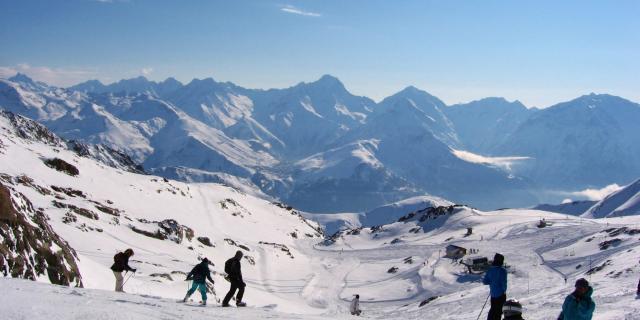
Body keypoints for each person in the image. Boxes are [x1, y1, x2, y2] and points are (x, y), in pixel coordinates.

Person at [483, 253, 508, 320]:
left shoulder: (490, 270)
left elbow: (485, 281)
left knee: (493, 310)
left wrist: (492, 282)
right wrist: (504, 291)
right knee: (498, 312)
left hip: (493, 295)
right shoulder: (503, 271)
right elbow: (504, 284)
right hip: (500, 295)